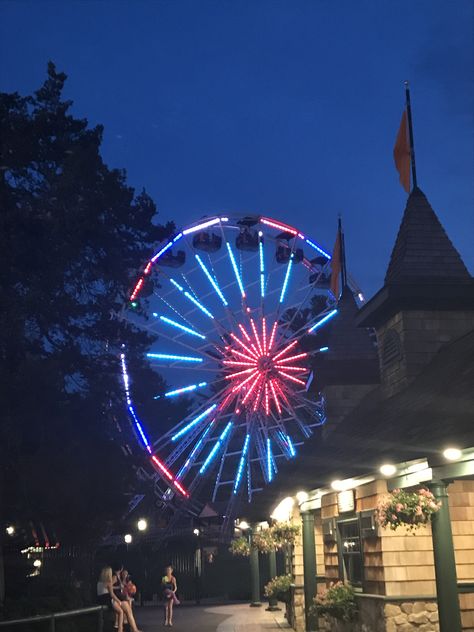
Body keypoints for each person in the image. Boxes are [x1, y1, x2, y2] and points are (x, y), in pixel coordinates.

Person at [111, 567, 143, 632]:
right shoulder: (115, 577)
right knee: (125, 610)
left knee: (129, 610)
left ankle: (134, 629)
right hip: (116, 598)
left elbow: (127, 587)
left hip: (120, 597)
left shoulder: (119, 577)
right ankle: (129, 628)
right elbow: (109, 587)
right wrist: (118, 587)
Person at [97, 567, 124, 632]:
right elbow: (112, 594)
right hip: (107, 599)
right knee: (121, 611)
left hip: (100, 599)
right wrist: (118, 601)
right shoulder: (108, 582)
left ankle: (116, 624)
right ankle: (120, 629)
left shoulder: (99, 582)